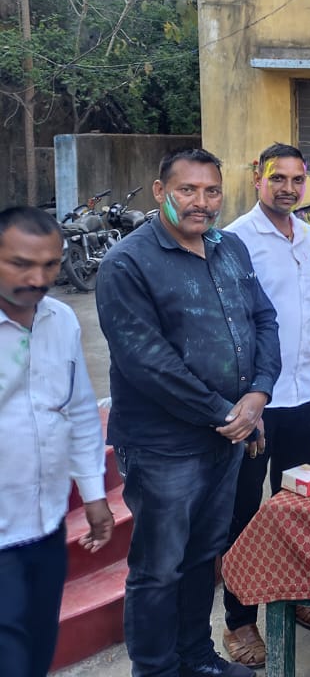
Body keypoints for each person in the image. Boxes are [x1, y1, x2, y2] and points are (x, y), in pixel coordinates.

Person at [97, 148, 280, 677]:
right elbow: (147, 362)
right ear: (161, 192)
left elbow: (264, 320)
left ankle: (197, 659)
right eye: (187, 190)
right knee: (158, 569)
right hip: (164, 447)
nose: (202, 202)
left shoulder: (229, 247)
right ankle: (155, 669)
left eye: (212, 191)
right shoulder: (127, 263)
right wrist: (227, 411)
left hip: (224, 437)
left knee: (204, 555)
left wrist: (259, 393)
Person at [220, 144, 310, 666]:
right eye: (277, 178)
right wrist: (246, 399)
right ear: (257, 178)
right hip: (256, 402)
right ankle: (240, 620)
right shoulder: (235, 240)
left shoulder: (309, 236)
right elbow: (232, 324)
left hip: (305, 394)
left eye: (295, 179)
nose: (288, 188)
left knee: (298, 505)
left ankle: (294, 596)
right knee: (245, 512)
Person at [0, 207, 113, 677]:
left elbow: (80, 409)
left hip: (45, 524)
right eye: (21, 264)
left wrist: (94, 494)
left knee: (38, 647)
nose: (38, 278)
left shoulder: (61, 319)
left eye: (49, 264)